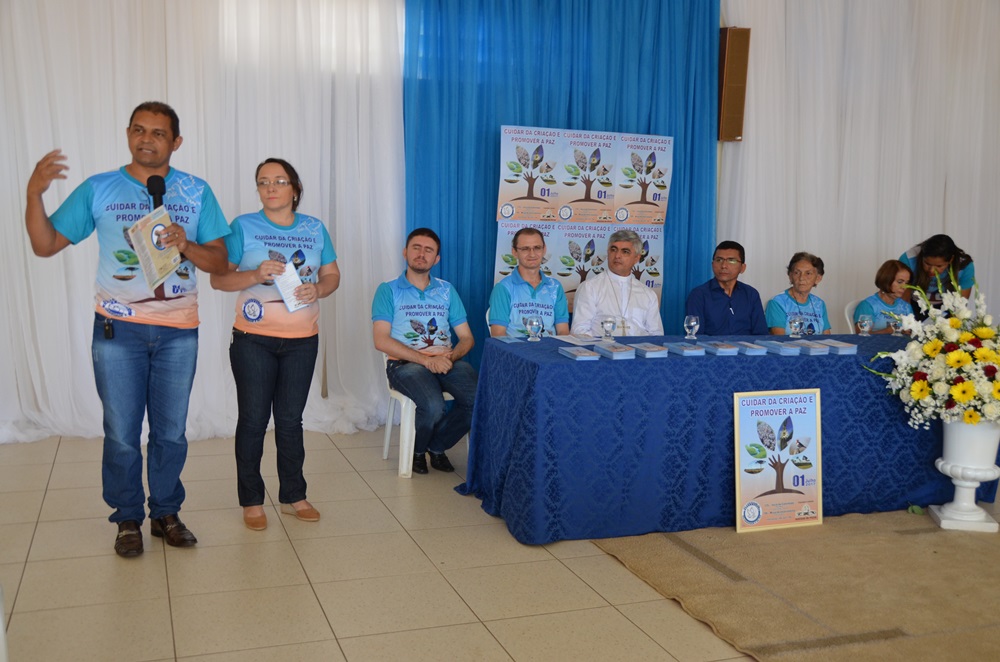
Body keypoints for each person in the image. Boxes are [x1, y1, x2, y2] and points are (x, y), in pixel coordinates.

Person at [24, 101, 230, 557]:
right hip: (118, 330)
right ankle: (127, 518)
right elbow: (45, 244)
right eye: (139, 130)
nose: (146, 139)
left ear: (176, 142)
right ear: (127, 133)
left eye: (158, 133)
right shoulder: (99, 188)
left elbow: (221, 262)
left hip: (178, 332)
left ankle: (166, 513)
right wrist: (34, 195)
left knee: (171, 431)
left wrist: (187, 244)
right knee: (121, 432)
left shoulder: (196, 191)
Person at [210, 158, 340, 531]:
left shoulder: (314, 228)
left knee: (290, 420)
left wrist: (319, 289)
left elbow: (332, 275)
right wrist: (254, 274)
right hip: (253, 340)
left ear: (294, 189)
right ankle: (252, 500)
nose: (270, 187)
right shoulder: (242, 226)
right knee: (253, 420)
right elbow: (219, 280)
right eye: (263, 181)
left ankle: (294, 495)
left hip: (302, 340)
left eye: (279, 181)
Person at [372, 228, 478, 475]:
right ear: (405, 252)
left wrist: (448, 358)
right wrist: (426, 361)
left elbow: (466, 338)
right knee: (433, 406)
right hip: (405, 364)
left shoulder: (447, 290)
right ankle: (418, 451)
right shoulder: (388, 290)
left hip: (447, 360)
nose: (421, 254)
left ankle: (436, 446)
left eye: (428, 250)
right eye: (416, 248)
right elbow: (381, 340)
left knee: (478, 401)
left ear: (436, 258)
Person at [570, 230, 664, 336]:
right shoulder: (589, 287)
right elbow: (579, 330)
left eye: (625, 252)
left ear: (636, 258)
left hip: (639, 346)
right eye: (613, 250)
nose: (617, 256)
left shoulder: (648, 294)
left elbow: (656, 334)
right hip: (601, 345)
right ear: (608, 253)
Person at [489, 227, 569, 338]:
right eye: (525, 249)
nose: (532, 254)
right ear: (514, 252)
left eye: (537, 248)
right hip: (515, 348)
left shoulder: (555, 287)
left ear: (544, 250)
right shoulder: (503, 288)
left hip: (550, 348)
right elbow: (498, 335)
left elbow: (563, 332)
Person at [685, 240, 767, 335]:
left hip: (746, 345)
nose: (724, 266)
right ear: (712, 265)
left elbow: (761, 334)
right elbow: (695, 336)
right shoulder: (698, 295)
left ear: (742, 268)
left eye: (731, 260)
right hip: (711, 345)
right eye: (719, 260)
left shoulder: (751, 294)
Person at [899, 234, 974, 314]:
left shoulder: (964, 266)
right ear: (922, 257)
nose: (932, 270)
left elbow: (960, 306)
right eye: (927, 263)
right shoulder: (908, 260)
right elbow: (904, 303)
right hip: (914, 305)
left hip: (947, 307)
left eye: (939, 266)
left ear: (951, 260)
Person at [765, 252, 832, 335]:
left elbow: (827, 338)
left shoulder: (819, 304)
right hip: (789, 344)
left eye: (808, 273)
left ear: (818, 278)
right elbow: (780, 339)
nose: (801, 278)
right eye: (797, 272)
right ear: (790, 276)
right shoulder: (777, 302)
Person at [853, 259, 913, 334]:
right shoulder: (868, 306)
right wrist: (888, 331)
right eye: (900, 282)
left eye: (907, 283)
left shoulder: (906, 307)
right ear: (886, 280)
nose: (904, 287)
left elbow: (913, 332)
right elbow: (862, 336)